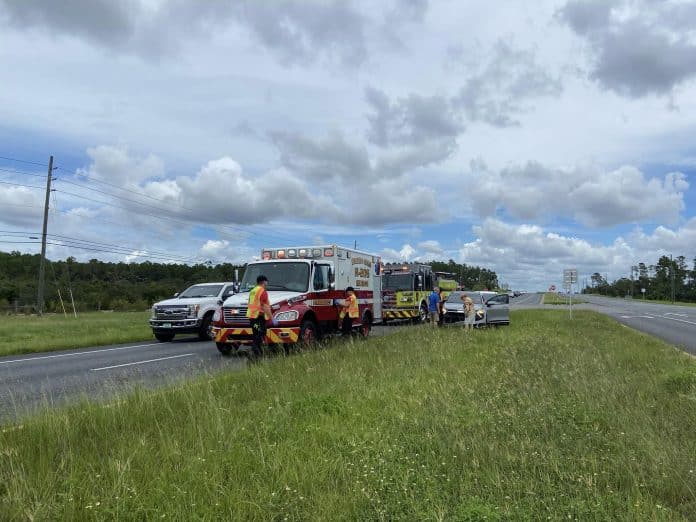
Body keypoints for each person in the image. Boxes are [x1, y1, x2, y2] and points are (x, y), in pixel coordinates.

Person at [246, 275, 276, 358]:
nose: (267, 283)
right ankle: (254, 351)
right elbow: (264, 306)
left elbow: (250, 303)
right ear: (264, 281)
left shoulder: (253, 290)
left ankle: (257, 354)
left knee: (256, 334)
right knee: (260, 333)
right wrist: (272, 318)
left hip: (252, 317)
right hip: (258, 317)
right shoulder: (262, 291)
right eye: (266, 281)